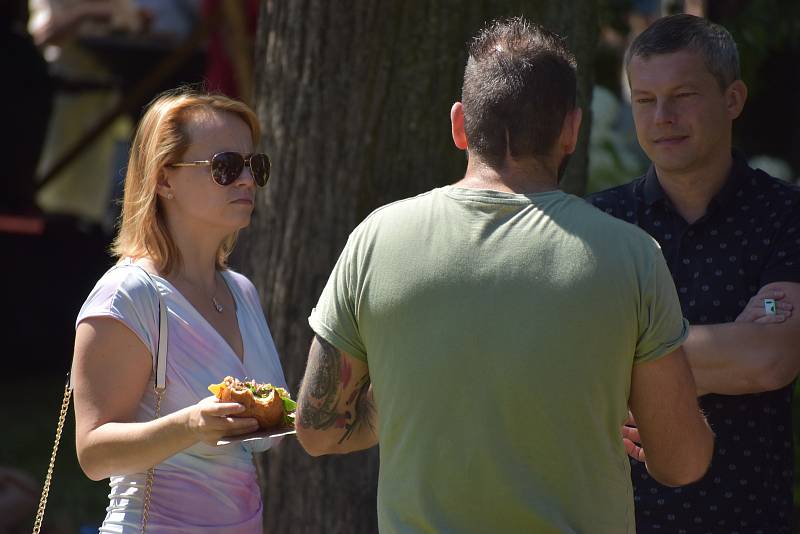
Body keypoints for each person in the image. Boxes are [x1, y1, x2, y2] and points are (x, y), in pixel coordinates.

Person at [295, 17, 713, 533]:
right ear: (572, 129)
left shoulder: (375, 239)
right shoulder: (633, 257)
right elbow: (681, 461)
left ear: (459, 124)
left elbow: (317, 430)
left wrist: (408, 387)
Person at [587, 14, 800, 533]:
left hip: (750, 519)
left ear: (732, 100)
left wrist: (621, 365)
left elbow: (770, 358)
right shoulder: (597, 225)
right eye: (645, 100)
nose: (662, 116)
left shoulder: (785, 215)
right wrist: (725, 350)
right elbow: (560, 365)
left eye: (683, 95)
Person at [71, 88, 286, 533]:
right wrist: (190, 425)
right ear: (164, 179)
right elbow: (93, 453)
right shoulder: (128, 294)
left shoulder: (241, 290)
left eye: (254, 166)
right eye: (226, 166)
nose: (246, 179)